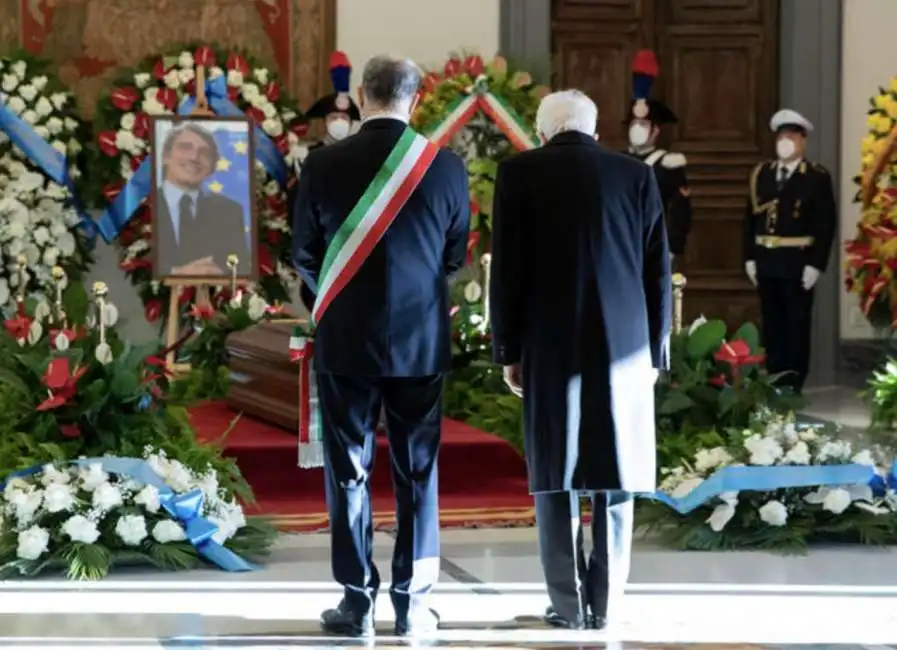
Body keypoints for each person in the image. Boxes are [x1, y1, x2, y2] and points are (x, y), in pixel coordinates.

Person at [291, 55, 470, 638]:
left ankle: (356, 600)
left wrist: (339, 299)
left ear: (363, 97)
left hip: (345, 339)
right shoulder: (445, 167)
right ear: (416, 101)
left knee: (348, 469)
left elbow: (304, 255)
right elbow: (453, 256)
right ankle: (413, 602)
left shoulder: (322, 165)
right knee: (417, 470)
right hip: (419, 340)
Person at [489, 90, 671, 631]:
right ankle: (608, 600)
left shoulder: (519, 173)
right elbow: (657, 270)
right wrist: (656, 350)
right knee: (615, 471)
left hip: (549, 343)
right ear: (595, 130)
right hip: (625, 346)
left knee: (556, 471)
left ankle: (567, 605)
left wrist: (509, 350)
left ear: (542, 132)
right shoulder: (634, 175)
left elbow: (508, 273)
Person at [742, 109, 836, 394]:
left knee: (796, 323)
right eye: (782, 136)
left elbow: (825, 224)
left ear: (802, 141)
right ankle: (775, 377)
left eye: (791, 136)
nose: (785, 141)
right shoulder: (763, 174)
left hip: (798, 263)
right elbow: (749, 219)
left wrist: (816, 264)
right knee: (772, 323)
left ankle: (794, 381)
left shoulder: (816, 177)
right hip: (767, 261)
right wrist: (749, 257)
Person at [155, 122, 250, 277]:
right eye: (185, 147)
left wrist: (223, 278)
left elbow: (242, 270)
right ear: (166, 156)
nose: (194, 157)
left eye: (205, 153)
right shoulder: (145, 204)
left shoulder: (229, 211)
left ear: (212, 167)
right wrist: (175, 273)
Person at [624, 50, 692, 262]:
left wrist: (673, 246)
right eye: (634, 123)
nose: (637, 128)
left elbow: (680, 209)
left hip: (655, 244)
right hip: (623, 244)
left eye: (643, 124)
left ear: (655, 130)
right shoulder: (618, 160)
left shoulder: (669, 164)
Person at [305, 50, 362, 151]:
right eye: (333, 118)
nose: (339, 121)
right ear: (325, 122)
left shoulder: (358, 153)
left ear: (351, 122)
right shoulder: (312, 153)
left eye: (344, 117)